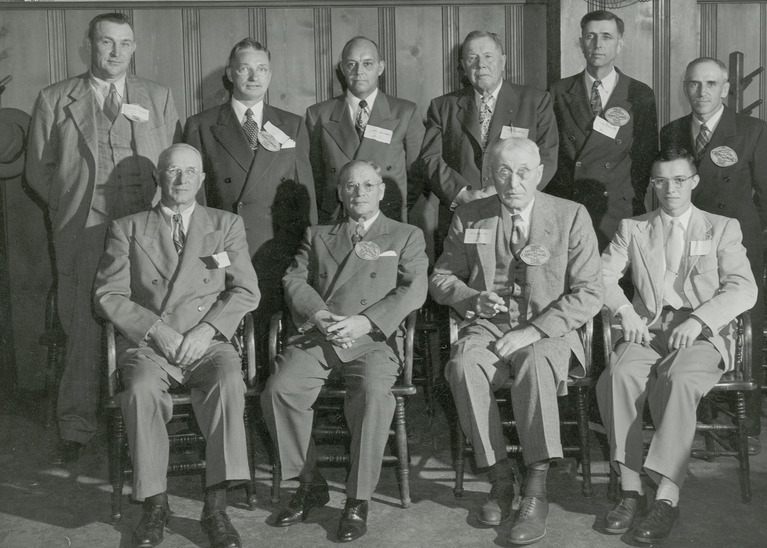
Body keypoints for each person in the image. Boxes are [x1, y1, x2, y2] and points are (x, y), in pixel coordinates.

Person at [429, 137, 603, 545]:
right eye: (504, 171)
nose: (514, 181)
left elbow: (590, 292)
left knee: (533, 362)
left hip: (548, 329)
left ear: (539, 173)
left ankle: (536, 489)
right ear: (490, 174)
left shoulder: (570, 215)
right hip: (488, 327)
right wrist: (472, 298)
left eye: (524, 171)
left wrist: (534, 330)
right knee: (462, 366)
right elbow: (441, 279)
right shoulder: (470, 216)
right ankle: (501, 479)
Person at [25, 12, 181, 464]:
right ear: (89, 45)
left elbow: (176, 160)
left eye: (125, 44)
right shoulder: (56, 99)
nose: (116, 52)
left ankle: (149, 425)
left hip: (148, 232)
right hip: (85, 230)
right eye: (107, 43)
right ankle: (75, 427)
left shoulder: (157, 95)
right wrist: (73, 203)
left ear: (134, 48)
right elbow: (39, 170)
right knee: (82, 327)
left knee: (152, 320)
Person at [95, 144, 260, 548]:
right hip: (152, 345)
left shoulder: (225, 224)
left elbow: (245, 290)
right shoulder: (128, 227)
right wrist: (156, 330)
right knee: (140, 389)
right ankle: (155, 504)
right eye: (172, 171)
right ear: (159, 179)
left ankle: (216, 507)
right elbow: (108, 295)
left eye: (190, 172)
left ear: (202, 179)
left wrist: (206, 330)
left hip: (207, 342)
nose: (182, 179)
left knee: (228, 382)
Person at [262, 160, 428, 543]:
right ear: (339, 192)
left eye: (368, 185)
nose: (359, 193)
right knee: (278, 390)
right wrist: (320, 315)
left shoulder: (405, 234)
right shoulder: (318, 233)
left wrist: (366, 322)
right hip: (322, 333)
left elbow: (413, 289)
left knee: (372, 396)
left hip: (374, 338)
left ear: (381, 191)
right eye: (351, 186)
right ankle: (310, 482)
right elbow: (294, 278)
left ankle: (357, 499)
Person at [598, 148, 756, 544]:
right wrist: (623, 310)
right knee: (618, 375)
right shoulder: (632, 228)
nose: (671, 189)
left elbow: (743, 288)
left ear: (694, 181)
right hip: (647, 328)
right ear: (652, 184)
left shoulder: (721, 227)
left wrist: (701, 319)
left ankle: (667, 496)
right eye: (661, 181)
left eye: (680, 180)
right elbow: (599, 276)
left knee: (680, 378)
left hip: (701, 331)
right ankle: (631, 489)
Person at [661, 57, 767, 448]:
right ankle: (696, 415)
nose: (702, 93)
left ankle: (745, 427)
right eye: (695, 85)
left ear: (726, 88)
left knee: (746, 327)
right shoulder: (672, 132)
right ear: (685, 87)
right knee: (690, 319)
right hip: (683, 246)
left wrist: (739, 231)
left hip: (737, 247)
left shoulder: (754, 131)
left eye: (711, 84)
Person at [419, 30, 558, 253]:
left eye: (488, 57)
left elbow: (548, 157)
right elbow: (430, 159)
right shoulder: (443, 106)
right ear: (463, 65)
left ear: (503, 61)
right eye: (472, 58)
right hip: (461, 215)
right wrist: (462, 194)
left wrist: (504, 191)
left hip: (517, 211)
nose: (480, 65)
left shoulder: (535, 101)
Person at [184, 37, 317, 258]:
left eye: (262, 69)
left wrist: (308, 251)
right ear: (230, 73)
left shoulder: (292, 125)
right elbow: (196, 197)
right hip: (225, 243)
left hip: (280, 246)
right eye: (245, 69)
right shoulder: (201, 125)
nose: (255, 77)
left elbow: (306, 196)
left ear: (270, 75)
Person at [547, 10, 658, 252]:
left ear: (620, 44)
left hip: (617, 208)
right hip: (570, 206)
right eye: (590, 36)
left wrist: (629, 196)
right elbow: (549, 151)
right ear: (580, 43)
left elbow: (646, 155)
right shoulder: (558, 91)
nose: (598, 45)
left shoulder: (639, 93)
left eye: (607, 37)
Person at [305, 36, 425, 223]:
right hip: (338, 219)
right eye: (352, 64)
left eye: (367, 64)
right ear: (343, 69)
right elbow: (315, 175)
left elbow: (417, 176)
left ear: (381, 68)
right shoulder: (319, 114)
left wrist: (394, 206)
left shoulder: (405, 112)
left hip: (389, 218)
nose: (359, 71)